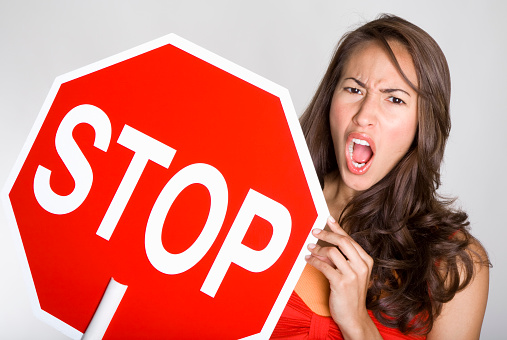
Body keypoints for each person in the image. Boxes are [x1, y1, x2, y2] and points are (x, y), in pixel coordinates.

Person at [271, 14, 490, 340]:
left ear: (422, 124)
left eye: (394, 98)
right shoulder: (261, 200)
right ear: (330, 101)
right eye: (354, 89)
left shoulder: (456, 265)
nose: (364, 116)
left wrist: (358, 326)